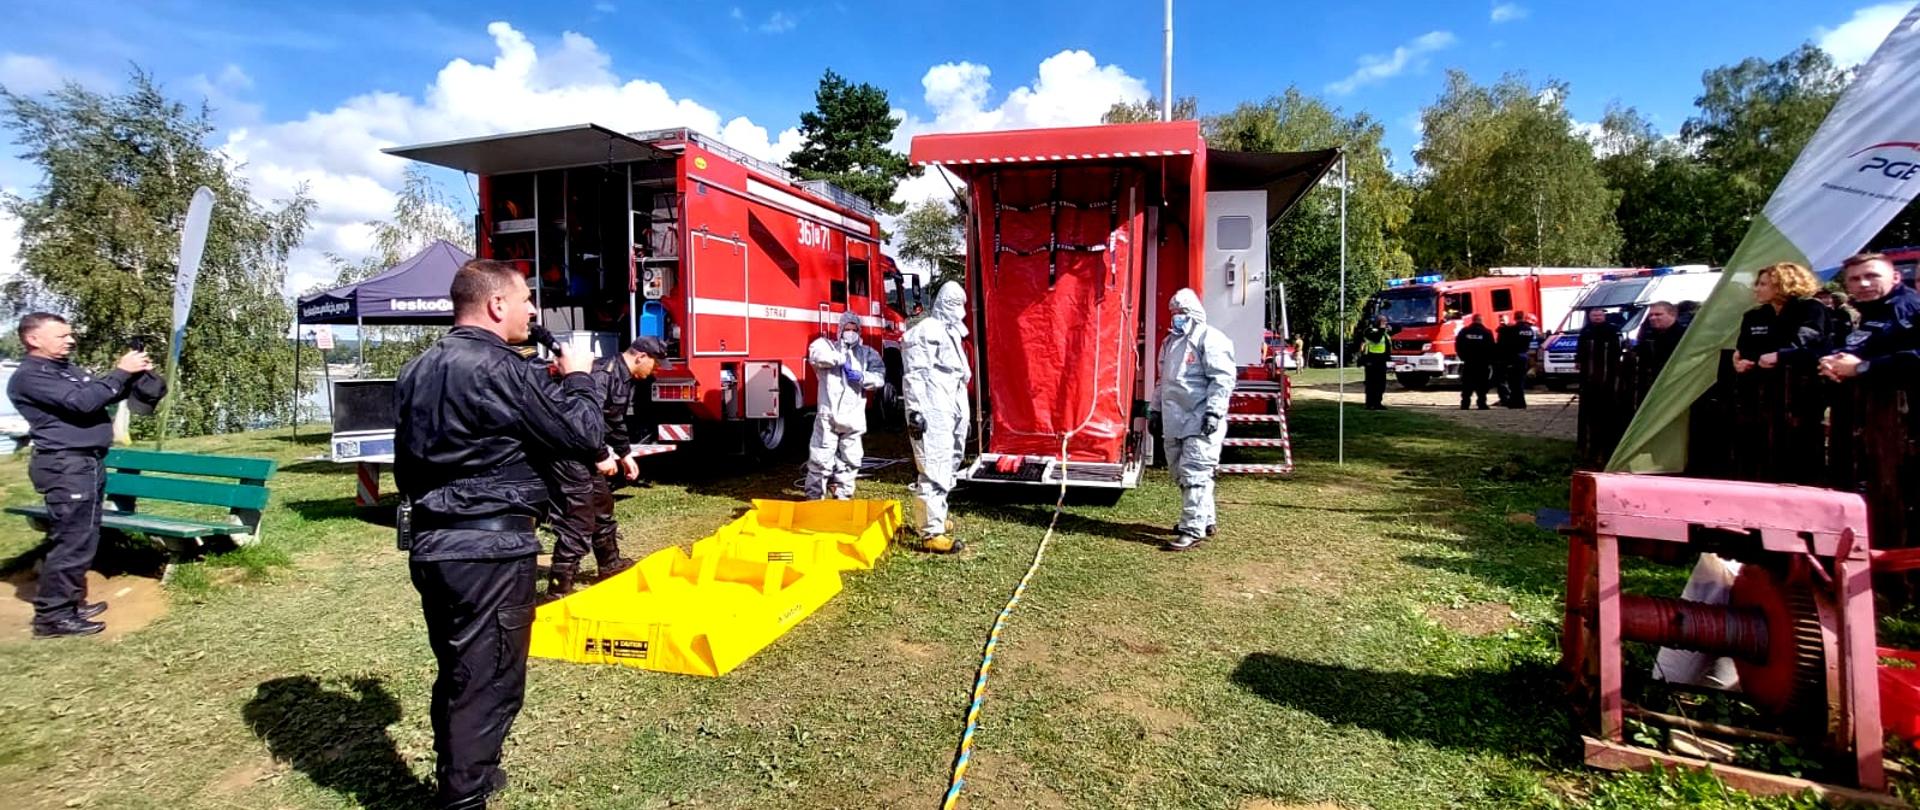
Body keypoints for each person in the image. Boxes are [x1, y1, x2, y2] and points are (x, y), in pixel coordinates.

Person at [394, 259, 605, 810]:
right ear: (495, 306)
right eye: (527, 300)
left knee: (460, 668)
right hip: (489, 549)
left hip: (432, 544)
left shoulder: (417, 368)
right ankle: (463, 798)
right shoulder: (501, 368)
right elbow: (583, 435)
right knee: (489, 682)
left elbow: (407, 462)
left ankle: (467, 775)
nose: (533, 311)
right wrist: (580, 376)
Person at [5, 313, 153, 638]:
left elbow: (101, 396)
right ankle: (52, 618)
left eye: (70, 334)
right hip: (65, 466)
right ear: (33, 339)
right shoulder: (30, 377)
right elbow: (83, 404)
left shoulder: (63, 370)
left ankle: (68, 604)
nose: (70, 340)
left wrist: (133, 378)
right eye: (61, 336)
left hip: (85, 463)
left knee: (84, 537)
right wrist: (120, 371)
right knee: (72, 541)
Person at [542, 335, 668, 597]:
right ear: (640, 356)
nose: (656, 371)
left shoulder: (622, 378)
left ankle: (610, 565)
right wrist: (601, 454)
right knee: (578, 520)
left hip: (586, 453)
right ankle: (559, 589)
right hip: (569, 455)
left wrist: (625, 454)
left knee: (602, 507)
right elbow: (584, 419)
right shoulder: (602, 374)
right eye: (655, 365)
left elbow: (613, 420)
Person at [1155, 289, 1236, 552]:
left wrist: (1214, 411)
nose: (1177, 317)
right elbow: (1163, 382)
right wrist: (1155, 411)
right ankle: (1206, 518)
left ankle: (1192, 529)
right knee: (1181, 474)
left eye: (1182, 313)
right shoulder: (1170, 343)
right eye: (1174, 313)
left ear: (1193, 313)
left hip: (1200, 418)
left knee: (1195, 473)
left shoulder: (1210, 339)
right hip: (1174, 419)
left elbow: (1222, 379)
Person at [903, 281, 972, 554]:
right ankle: (931, 533)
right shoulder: (926, 331)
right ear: (944, 303)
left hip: (949, 407)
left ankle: (937, 517)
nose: (960, 310)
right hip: (932, 408)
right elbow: (915, 374)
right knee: (933, 465)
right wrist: (916, 410)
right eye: (955, 303)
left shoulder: (950, 333)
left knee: (948, 462)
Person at [805, 310, 886, 500]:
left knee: (850, 460)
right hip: (828, 416)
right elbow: (816, 355)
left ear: (860, 331)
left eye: (854, 329)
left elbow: (880, 377)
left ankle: (843, 498)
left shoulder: (867, 354)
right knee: (820, 460)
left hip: (854, 417)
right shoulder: (827, 346)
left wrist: (863, 377)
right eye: (847, 328)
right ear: (840, 329)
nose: (850, 332)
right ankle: (814, 499)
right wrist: (840, 358)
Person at [1821, 253, 1920, 383]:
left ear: (1895, 277)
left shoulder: (1907, 307)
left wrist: (1861, 367)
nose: (1864, 284)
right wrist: (1833, 361)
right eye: (1855, 279)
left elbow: (1912, 359)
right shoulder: (1873, 306)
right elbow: (1863, 345)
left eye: (1872, 276)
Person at [1733, 262, 1829, 375]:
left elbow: (1803, 342)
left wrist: (1777, 355)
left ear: (1783, 286)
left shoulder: (1811, 308)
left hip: (1802, 380)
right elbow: (1744, 348)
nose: (1756, 289)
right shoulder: (1753, 315)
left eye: (1763, 284)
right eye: (1757, 284)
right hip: (1760, 383)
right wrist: (1742, 361)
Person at [1496, 313, 1539, 408]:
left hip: (1514, 357)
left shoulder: (1514, 329)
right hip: (1524, 356)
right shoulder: (1529, 330)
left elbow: (1506, 341)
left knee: (1514, 381)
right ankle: (1517, 401)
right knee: (1520, 380)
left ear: (1515, 318)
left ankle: (1518, 402)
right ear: (1523, 318)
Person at [1454, 314, 1496, 410]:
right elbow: (1492, 348)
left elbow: (1458, 345)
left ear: (1473, 320)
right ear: (1481, 320)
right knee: (1482, 384)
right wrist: (1490, 360)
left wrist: (1463, 357)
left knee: (1467, 383)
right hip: (1482, 363)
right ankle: (1482, 403)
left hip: (1469, 362)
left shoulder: (1464, 331)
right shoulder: (1487, 332)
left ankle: (1465, 403)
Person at [1359, 314, 1397, 410]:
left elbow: (1398, 328)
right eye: (1382, 321)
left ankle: (1378, 403)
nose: (1385, 323)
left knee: (1381, 384)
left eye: (1385, 321)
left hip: (1381, 361)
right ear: (1377, 322)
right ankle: (1370, 403)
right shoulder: (1369, 331)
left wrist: (1389, 327)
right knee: (1371, 383)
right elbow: (1376, 340)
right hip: (1371, 360)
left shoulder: (1384, 332)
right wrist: (1382, 329)